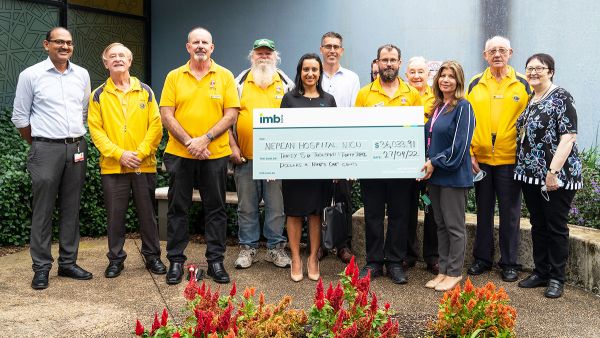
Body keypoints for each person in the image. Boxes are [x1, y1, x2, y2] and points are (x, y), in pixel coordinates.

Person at [12, 27, 92, 290]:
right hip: (45, 148)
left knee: (72, 208)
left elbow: (83, 111)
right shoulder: (31, 75)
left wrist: (72, 140)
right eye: (59, 42)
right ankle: (41, 267)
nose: (65, 46)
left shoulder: (82, 74)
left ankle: (68, 263)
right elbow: (21, 118)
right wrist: (39, 144)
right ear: (47, 44)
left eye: (69, 42)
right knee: (43, 209)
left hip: (76, 148)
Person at [160, 27, 240, 285]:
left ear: (212, 47)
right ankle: (175, 262)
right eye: (196, 42)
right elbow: (166, 114)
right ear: (188, 47)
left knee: (215, 209)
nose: (201, 46)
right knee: (177, 208)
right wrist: (189, 142)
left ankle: (215, 261)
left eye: (205, 42)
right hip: (180, 153)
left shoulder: (225, 76)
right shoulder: (174, 76)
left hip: (214, 153)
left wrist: (204, 139)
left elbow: (231, 114)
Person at [88, 42, 166, 278]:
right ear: (106, 63)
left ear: (130, 62)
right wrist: (120, 154)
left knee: (147, 215)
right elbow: (96, 130)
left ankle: (153, 257)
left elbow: (156, 126)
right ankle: (115, 260)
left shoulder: (146, 91)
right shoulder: (98, 95)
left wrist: (139, 153)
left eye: (122, 55)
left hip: (144, 164)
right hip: (112, 166)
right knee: (115, 216)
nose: (118, 59)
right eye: (113, 56)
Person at [515, 53, 582, 298]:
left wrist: (552, 172)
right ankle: (541, 272)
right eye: (529, 68)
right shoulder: (532, 99)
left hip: (556, 177)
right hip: (531, 177)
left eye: (539, 68)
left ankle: (557, 278)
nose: (533, 72)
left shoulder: (561, 97)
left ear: (550, 71)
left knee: (556, 226)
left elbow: (568, 137)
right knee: (538, 225)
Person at [355, 44, 422, 284]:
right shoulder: (365, 93)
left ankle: (395, 262)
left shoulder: (412, 93)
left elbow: (417, 131)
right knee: (372, 215)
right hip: (372, 168)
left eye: (393, 60)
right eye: (385, 60)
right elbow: (357, 130)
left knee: (399, 215)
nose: (389, 64)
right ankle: (373, 262)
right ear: (378, 62)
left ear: (400, 63)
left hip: (400, 169)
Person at [466, 36, 530, 282]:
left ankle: (509, 262)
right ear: (485, 55)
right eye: (492, 51)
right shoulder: (474, 84)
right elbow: (467, 122)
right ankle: (482, 259)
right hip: (480, 160)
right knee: (483, 211)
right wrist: (470, 152)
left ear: (510, 52)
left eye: (502, 50)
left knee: (510, 213)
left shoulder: (523, 85)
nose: (497, 54)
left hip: (509, 160)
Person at [229, 38, 293, 269]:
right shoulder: (238, 82)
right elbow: (226, 118)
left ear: (275, 56)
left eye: (268, 53)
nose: (263, 57)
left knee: (277, 207)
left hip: (276, 160)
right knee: (246, 207)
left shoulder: (286, 83)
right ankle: (248, 248)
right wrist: (233, 148)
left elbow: (294, 120)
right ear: (252, 56)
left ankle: (276, 249)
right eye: (259, 53)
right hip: (246, 158)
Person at [419, 61, 475, 291]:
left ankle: (454, 272)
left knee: (454, 226)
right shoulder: (438, 106)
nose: (446, 80)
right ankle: (443, 270)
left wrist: (434, 161)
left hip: (452, 175)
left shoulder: (464, 107)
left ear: (458, 80)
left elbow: (460, 146)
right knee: (440, 225)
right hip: (435, 177)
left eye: (451, 76)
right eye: (443, 75)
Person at [280, 53, 336, 282]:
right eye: (306, 69)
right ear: (299, 72)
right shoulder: (289, 99)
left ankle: (312, 258)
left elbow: (335, 136)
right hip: (294, 168)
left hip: (320, 168)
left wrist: (335, 167)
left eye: (315, 69)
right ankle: (296, 258)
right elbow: (279, 135)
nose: (310, 74)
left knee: (315, 214)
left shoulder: (329, 100)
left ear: (320, 72)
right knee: (293, 212)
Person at [318, 31, 361, 264]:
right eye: (328, 46)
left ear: (341, 51)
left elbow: (354, 113)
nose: (332, 50)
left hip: (344, 144)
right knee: (319, 195)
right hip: (318, 145)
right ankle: (320, 245)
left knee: (343, 197)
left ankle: (344, 245)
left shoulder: (352, 78)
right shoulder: (313, 74)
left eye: (336, 46)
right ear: (321, 49)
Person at [405, 56, 438, 274]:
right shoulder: (401, 95)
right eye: (413, 72)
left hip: (430, 166)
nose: (417, 76)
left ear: (428, 74)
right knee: (406, 209)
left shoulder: (437, 97)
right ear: (406, 75)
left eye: (421, 72)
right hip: (406, 164)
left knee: (430, 208)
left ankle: (432, 257)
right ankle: (408, 254)